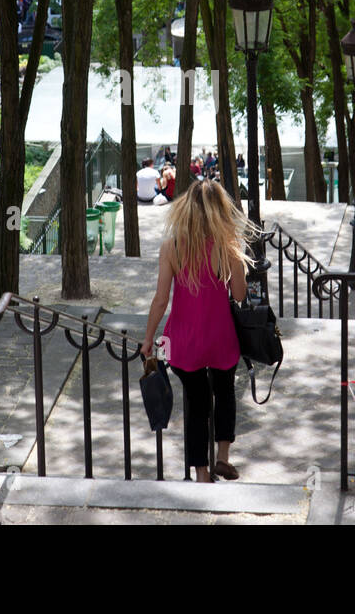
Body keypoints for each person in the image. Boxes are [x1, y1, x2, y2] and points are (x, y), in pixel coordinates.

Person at [142, 179, 253, 484]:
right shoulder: (228, 246)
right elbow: (240, 296)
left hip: (183, 341)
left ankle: (201, 473)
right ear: (220, 209)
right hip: (220, 338)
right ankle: (223, 457)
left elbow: (161, 299)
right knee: (225, 392)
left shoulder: (172, 247)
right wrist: (239, 263)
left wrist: (149, 338)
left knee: (197, 403)